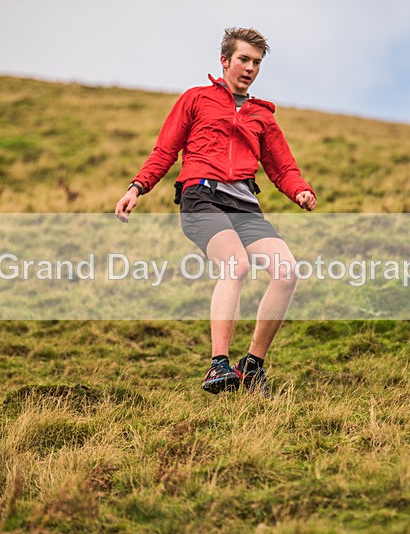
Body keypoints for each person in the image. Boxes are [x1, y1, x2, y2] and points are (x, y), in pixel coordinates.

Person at [115, 27, 316, 396]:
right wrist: (137, 187)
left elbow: (283, 168)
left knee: (287, 272)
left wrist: (300, 191)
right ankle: (217, 364)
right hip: (201, 198)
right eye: (243, 59)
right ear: (225, 61)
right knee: (236, 264)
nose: (250, 68)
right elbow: (164, 151)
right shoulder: (196, 99)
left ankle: (252, 366)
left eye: (256, 62)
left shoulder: (263, 116)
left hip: (245, 204)